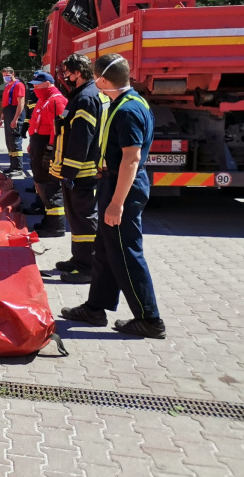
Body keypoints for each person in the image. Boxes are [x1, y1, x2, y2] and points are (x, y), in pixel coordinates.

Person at [61, 53, 165, 339]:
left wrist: (116, 204)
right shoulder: (127, 102)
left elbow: (131, 160)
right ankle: (96, 308)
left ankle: (149, 318)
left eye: (96, 78)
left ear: (103, 80)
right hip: (114, 181)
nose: (95, 83)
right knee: (106, 251)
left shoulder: (128, 110)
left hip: (124, 186)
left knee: (126, 253)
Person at [50, 54, 109, 284]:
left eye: (68, 72)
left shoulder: (85, 98)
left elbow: (81, 139)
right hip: (83, 170)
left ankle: (88, 268)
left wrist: (69, 172)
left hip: (82, 172)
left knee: (84, 220)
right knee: (77, 219)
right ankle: (79, 260)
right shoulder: (89, 94)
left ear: (79, 72)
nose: (65, 76)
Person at [26, 72, 67, 238]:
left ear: (48, 84)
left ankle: (56, 226)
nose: (34, 87)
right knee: (42, 182)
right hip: (39, 145)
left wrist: (51, 149)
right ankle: (48, 220)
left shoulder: (56, 100)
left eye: (37, 84)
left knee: (51, 185)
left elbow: (58, 129)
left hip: (47, 148)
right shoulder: (44, 99)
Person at [0, 67, 26, 174]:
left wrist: (15, 119)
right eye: (4, 75)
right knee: (9, 142)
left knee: (15, 141)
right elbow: (5, 104)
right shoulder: (7, 86)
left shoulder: (18, 85)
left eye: (7, 75)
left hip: (15, 114)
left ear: (13, 74)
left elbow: (21, 104)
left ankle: (18, 168)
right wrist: (2, 118)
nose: (5, 77)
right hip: (8, 113)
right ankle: (13, 166)